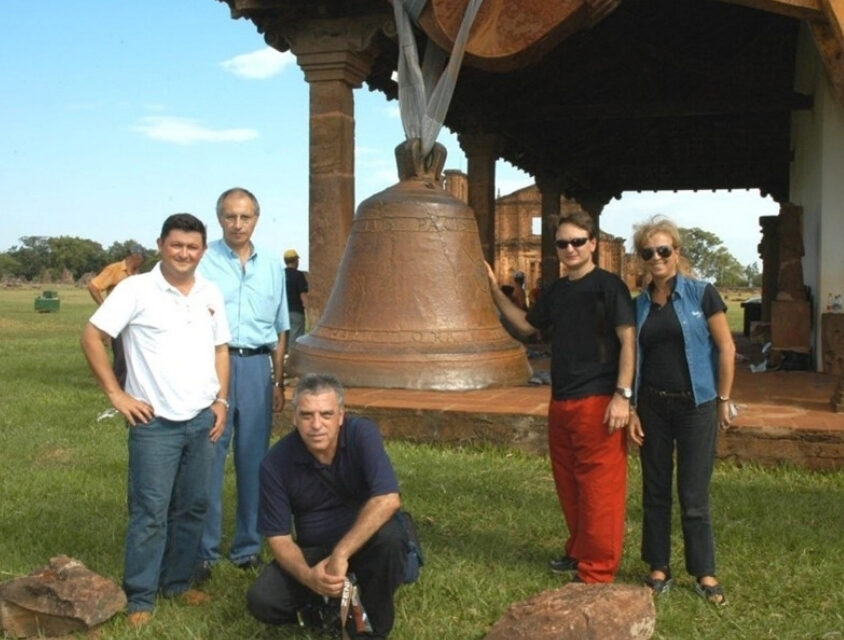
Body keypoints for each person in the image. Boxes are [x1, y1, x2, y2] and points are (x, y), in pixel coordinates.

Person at [80, 214, 230, 626]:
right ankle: (141, 596)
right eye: (176, 245)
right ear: (161, 244)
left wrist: (221, 401)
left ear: (202, 250)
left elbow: (221, 350)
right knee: (150, 512)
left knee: (193, 507)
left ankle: (178, 583)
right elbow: (92, 336)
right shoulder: (136, 289)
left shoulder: (209, 291)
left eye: (193, 247)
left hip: (202, 420)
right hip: (155, 425)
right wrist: (117, 394)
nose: (184, 253)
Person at [485, 210, 635, 584]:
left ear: (593, 244)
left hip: (600, 398)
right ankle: (580, 550)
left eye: (578, 242)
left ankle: (598, 570)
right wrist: (492, 289)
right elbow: (525, 326)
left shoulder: (609, 286)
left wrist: (623, 394)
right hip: (562, 399)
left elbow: (628, 341)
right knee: (569, 483)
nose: (570, 249)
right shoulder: (555, 292)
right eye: (563, 243)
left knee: (600, 488)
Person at [246, 374, 407, 639]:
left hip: (363, 541)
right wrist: (309, 576)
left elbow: (388, 499)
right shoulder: (275, 463)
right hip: (315, 551)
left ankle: (372, 628)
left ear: (341, 416)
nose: (317, 425)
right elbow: (279, 538)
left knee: (390, 538)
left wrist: (341, 554)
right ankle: (323, 604)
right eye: (307, 415)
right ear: (294, 418)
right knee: (262, 600)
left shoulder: (361, 434)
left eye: (326, 414)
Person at [628, 215, 735, 606]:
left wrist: (723, 399)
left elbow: (726, 348)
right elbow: (632, 357)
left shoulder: (701, 294)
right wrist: (633, 408)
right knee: (655, 489)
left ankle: (704, 572)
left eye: (663, 250)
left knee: (693, 492)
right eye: (648, 252)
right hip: (652, 405)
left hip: (696, 405)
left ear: (677, 252)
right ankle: (658, 566)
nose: (656, 257)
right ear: (641, 258)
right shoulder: (638, 305)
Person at [196, 187, 290, 578]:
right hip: (211, 366)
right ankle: (204, 549)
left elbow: (281, 326)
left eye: (245, 217)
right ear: (220, 219)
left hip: (255, 368)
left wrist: (278, 379)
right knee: (209, 459)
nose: (238, 224)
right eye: (230, 216)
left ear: (257, 218)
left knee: (255, 461)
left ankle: (247, 547)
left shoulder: (271, 264)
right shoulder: (203, 261)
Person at [86, 247, 146, 388]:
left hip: (134, 319)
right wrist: (104, 307)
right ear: (135, 256)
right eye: (143, 259)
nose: (142, 263)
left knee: (132, 352)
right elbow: (93, 286)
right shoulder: (115, 269)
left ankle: (131, 383)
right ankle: (118, 386)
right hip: (119, 317)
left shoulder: (136, 274)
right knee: (120, 353)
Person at [283, 248, 309, 352]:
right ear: (296, 261)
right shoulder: (298, 275)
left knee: (283, 341)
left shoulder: (280, 274)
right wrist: (308, 310)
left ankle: (282, 364)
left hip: (282, 314)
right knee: (295, 341)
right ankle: (292, 363)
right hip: (296, 313)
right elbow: (303, 294)